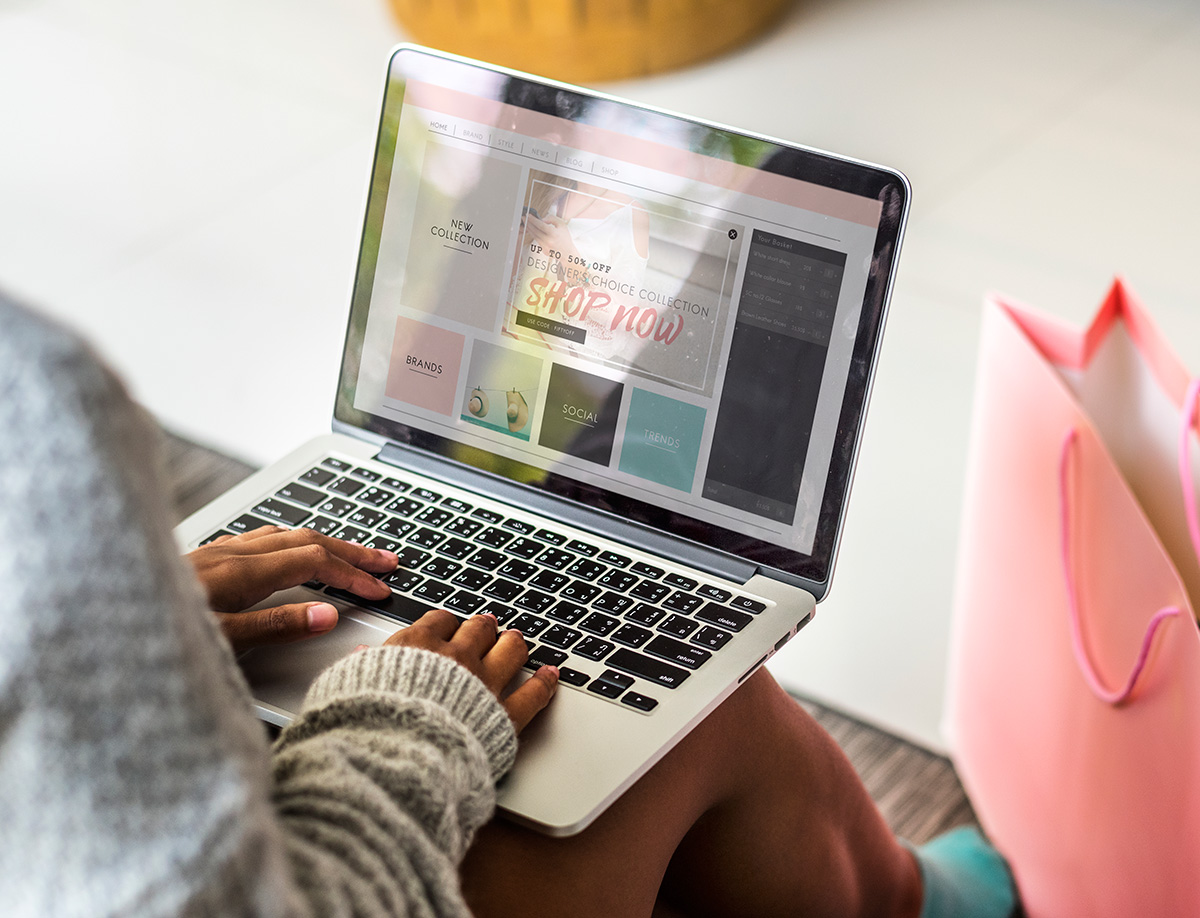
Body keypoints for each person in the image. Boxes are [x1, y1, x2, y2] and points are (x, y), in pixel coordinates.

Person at [0, 293, 1018, 917]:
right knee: (699, 711)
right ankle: (900, 902)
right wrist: (410, 720)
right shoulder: (31, 402)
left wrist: (122, 642)